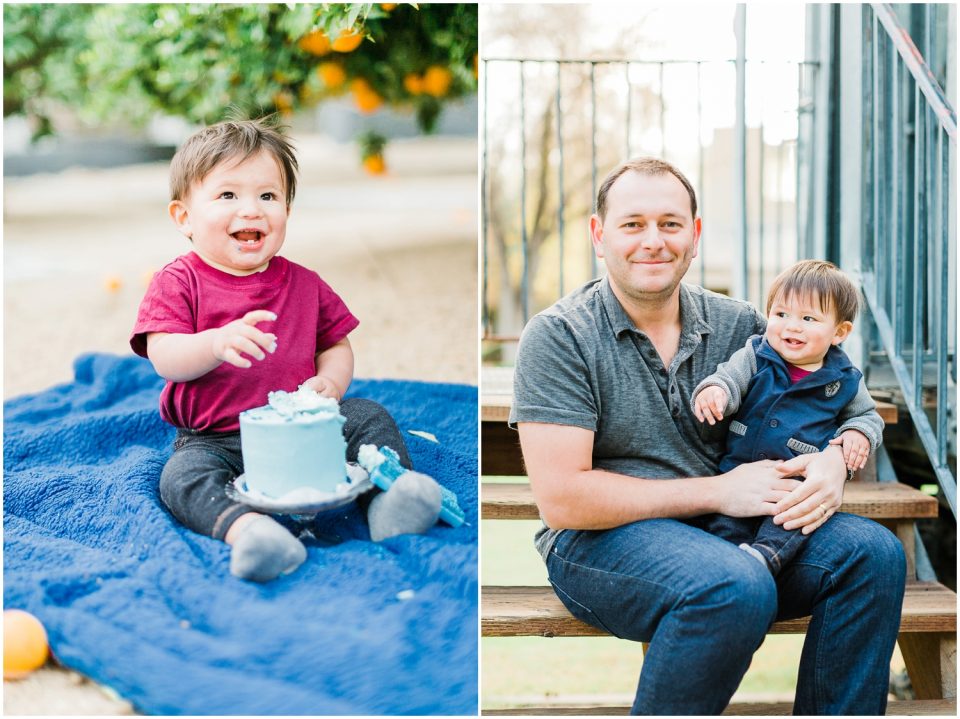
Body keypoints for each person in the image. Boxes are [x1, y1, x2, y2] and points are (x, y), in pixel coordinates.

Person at [510, 157, 906, 714]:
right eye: (633, 224)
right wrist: (719, 492)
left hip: (734, 530)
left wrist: (835, 461)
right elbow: (563, 499)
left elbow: (837, 394)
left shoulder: (743, 325)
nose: (654, 241)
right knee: (733, 583)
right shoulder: (559, 336)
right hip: (601, 542)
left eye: (671, 224)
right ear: (600, 236)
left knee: (874, 554)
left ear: (694, 236)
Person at [130, 117, 442, 583]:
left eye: (268, 196)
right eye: (228, 195)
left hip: (304, 428)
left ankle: (390, 499)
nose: (251, 210)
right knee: (179, 478)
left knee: (368, 416)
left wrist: (330, 384)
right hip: (217, 438)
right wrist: (214, 343)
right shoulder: (178, 282)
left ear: (287, 212)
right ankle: (251, 532)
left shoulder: (305, 283)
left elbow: (336, 343)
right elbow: (165, 355)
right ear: (184, 218)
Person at [690, 259, 884, 575]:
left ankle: (766, 557)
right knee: (725, 525)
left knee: (794, 519)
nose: (792, 326)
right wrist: (716, 392)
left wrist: (857, 434)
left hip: (795, 482)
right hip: (740, 475)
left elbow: (867, 416)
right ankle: (725, 566)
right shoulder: (757, 354)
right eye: (781, 314)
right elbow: (729, 377)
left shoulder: (844, 379)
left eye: (808, 318)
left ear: (839, 332)